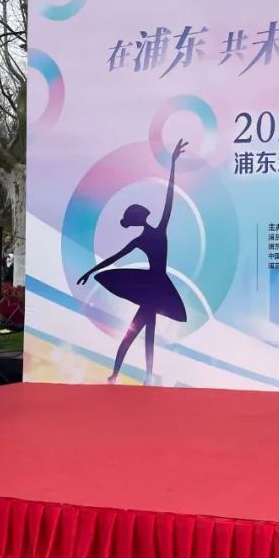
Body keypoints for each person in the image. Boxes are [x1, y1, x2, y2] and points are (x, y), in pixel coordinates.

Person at [78, 139, 189, 385]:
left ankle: (123, 375)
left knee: (138, 332)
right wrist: (90, 271)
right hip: (156, 288)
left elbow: (169, 197)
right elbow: (114, 258)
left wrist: (173, 163)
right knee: (142, 331)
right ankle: (133, 375)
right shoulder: (155, 232)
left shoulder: (147, 236)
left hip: (155, 288)